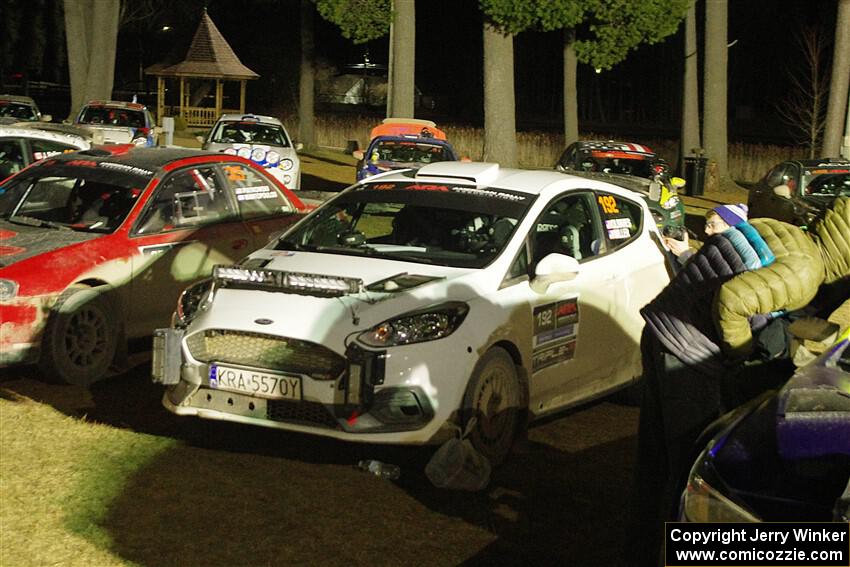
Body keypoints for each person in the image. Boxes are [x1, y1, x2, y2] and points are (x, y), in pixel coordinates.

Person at [630, 200, 841, 567]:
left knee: (655, 453)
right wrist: (739, 354)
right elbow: (731, 301)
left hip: (662, 327)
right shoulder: (806, 271)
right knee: (687, 461)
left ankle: (639, 543)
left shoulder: (783, 231)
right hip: (686, 349)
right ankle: (667, 554)